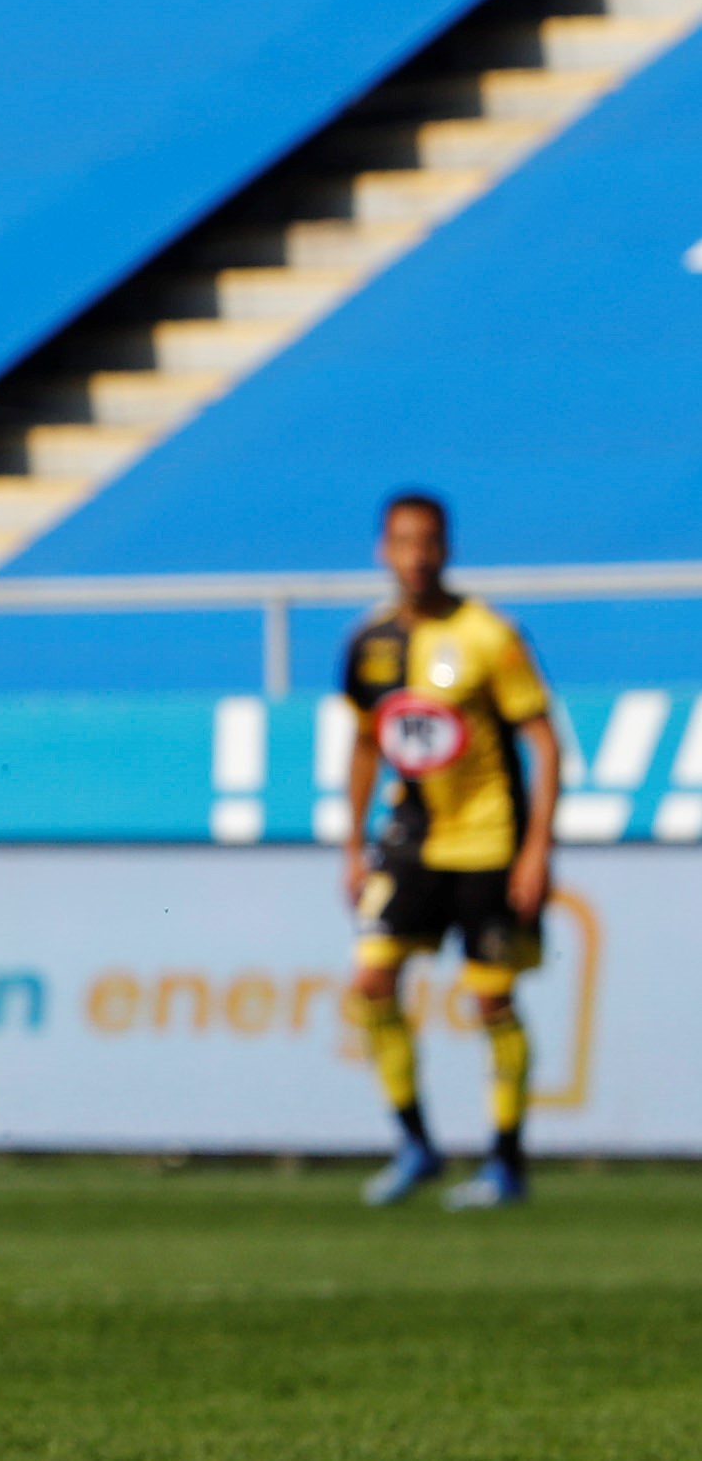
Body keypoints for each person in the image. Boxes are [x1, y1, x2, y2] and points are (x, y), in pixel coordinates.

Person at [338, 491, 557, 1211]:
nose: (416, 556)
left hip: (488, 840)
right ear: (382, 550)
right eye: (402, 542)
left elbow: (541, 741)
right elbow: (368, 742)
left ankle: (504, 1159)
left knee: (489, 997)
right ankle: (415, 1143)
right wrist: (350, 842)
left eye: (428, 541)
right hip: (410, 839)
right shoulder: (369, 643)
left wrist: (535, 850)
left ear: (446, 548)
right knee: (370, 983)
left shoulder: (488, 635)